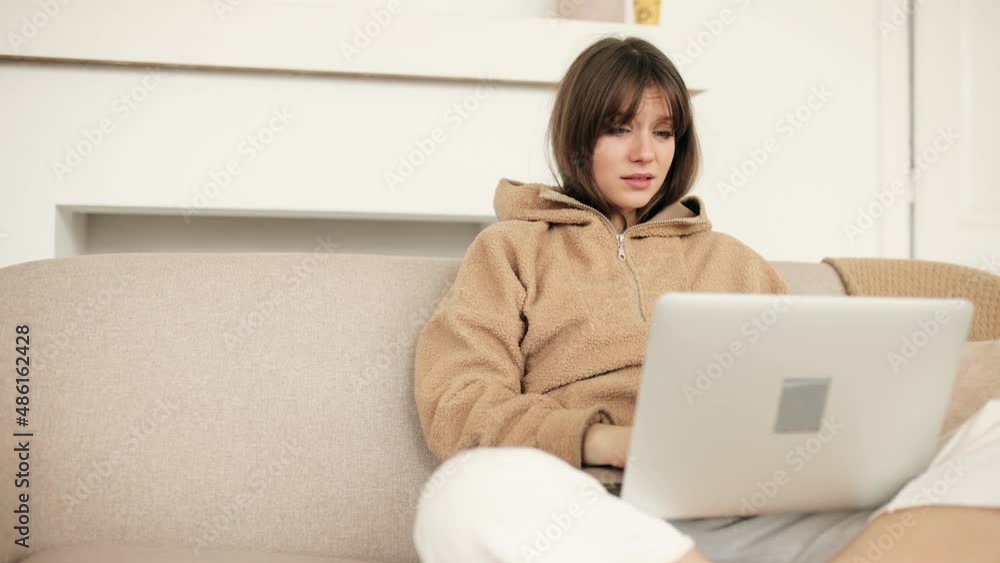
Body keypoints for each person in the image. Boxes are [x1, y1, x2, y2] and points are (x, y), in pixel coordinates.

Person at [410, 36, 1000, 563]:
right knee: (460, 496)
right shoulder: (511, 250)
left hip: (771, 517)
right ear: (576, 134)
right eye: (619, 128)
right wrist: (603, 440)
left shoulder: (734, 261)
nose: (646, 153)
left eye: (663, 131)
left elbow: (802, 392)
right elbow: (457, 404)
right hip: (605, 522)